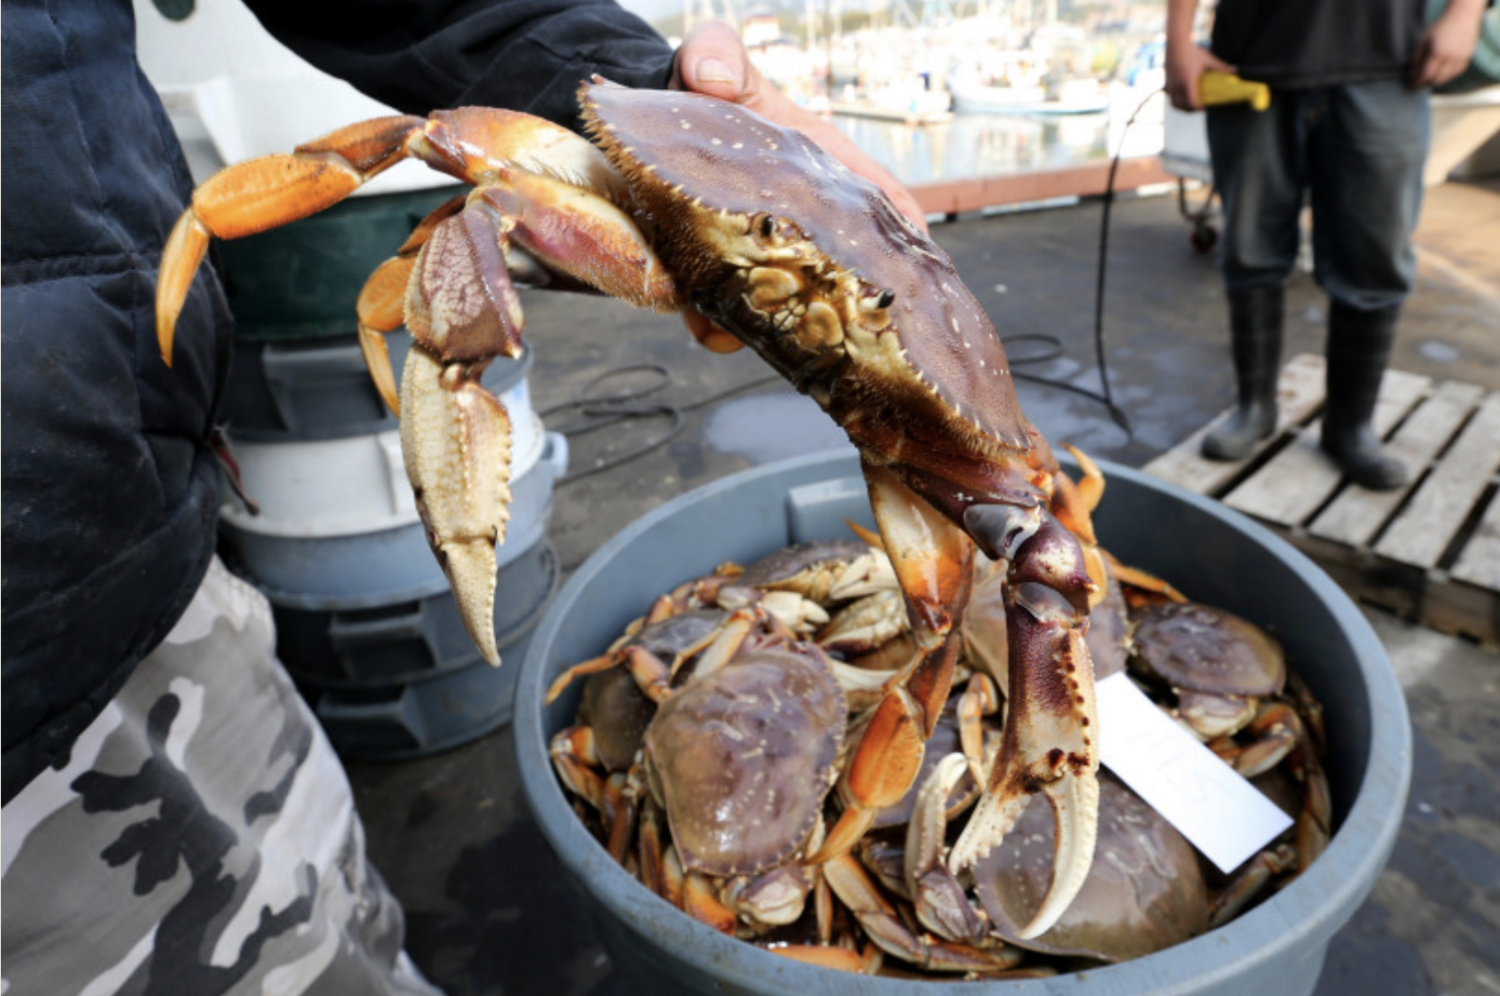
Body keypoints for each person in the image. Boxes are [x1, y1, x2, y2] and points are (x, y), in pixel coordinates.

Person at [0, 2, 924, 992]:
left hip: (130, 542)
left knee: (330, 915)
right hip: (60, 600)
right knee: (459, 195)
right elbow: (433, 150)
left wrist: (647, 88)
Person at [1164, 0, 1488, 489]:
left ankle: (1351, 428)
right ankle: (1255, 408)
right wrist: (1178, 41)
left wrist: (1466, 11)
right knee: (1250, 252)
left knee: (1376, 263)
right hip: (1251, 62)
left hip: (1388, 63)